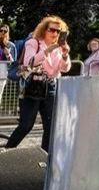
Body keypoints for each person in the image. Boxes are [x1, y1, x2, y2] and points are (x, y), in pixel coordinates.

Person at [6, 16, 70, 150]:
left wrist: (65, 55)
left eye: (59, 31)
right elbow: (30, 62)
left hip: (51, 86)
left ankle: (45, 157)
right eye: (52, 30)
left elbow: (64, 68)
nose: (55, 34)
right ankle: (6, 151)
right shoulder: (34, 43)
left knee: (50, 126)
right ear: (44, 30)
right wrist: (48, 50)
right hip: (33, 85)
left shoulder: (59, 47)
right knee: (26, 125)